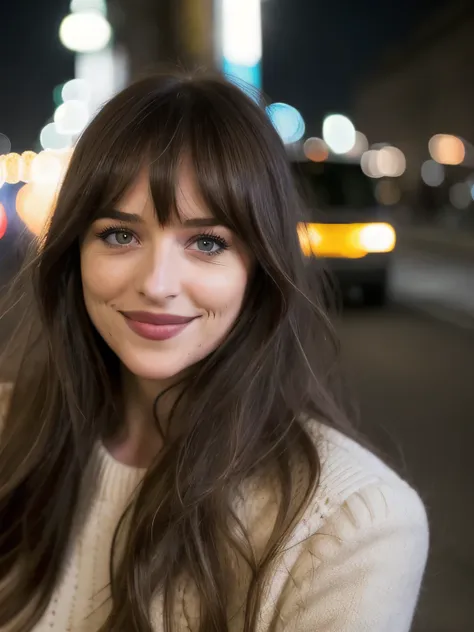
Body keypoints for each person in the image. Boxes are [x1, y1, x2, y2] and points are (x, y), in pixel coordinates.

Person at [0, 73, 428, 632]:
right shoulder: (10, 430)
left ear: (260, 268)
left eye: (207, 243)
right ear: (74, 252)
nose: (157, 283)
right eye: (119, 235)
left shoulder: (353, 523)